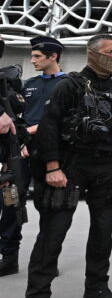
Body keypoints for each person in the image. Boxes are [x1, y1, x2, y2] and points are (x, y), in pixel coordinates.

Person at [24, 34, 112, 298]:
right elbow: (49, 127)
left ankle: (96, 288)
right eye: (109, 51)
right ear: (92, 54)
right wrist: (53, 167)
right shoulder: (70, 85)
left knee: (103, 230)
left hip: (106, 167)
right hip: (71, 166)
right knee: (54, 233)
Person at [0, 35, 66, 277]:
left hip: (52, 156)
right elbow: (18, 117)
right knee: (10, 202)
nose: (33, 60)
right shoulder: (29, 84)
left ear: (53, 57)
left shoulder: (69, 84)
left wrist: (28, 133)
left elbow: (61, 120)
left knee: (50, 207)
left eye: (38, 56)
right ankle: (8, 257)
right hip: (20, 156)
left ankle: (47, 260)